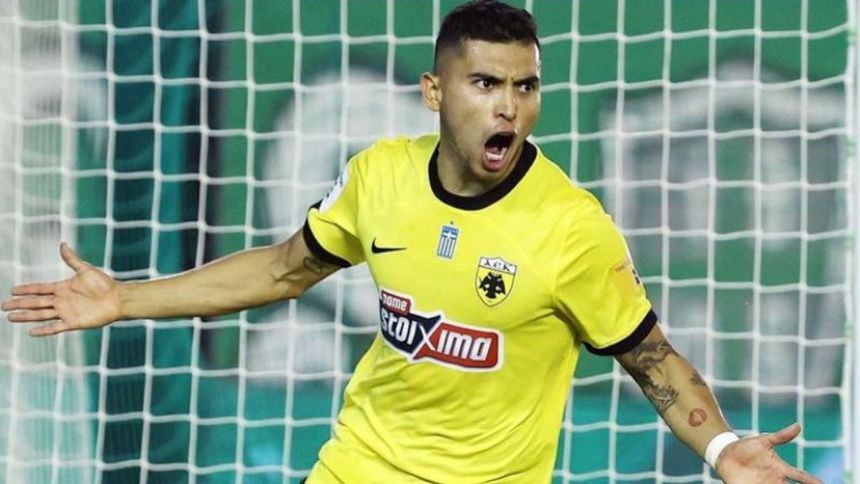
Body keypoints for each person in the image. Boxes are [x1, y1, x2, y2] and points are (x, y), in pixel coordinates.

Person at [2, 1, 822, 483]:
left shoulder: (571, 229)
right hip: (358, 468)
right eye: (485, 83)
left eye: (525, 86)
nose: (508, 107)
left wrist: (722, 446)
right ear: (435, 91)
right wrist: (124, 299)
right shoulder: (380, 177)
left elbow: (652, 358)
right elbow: (284, 270)